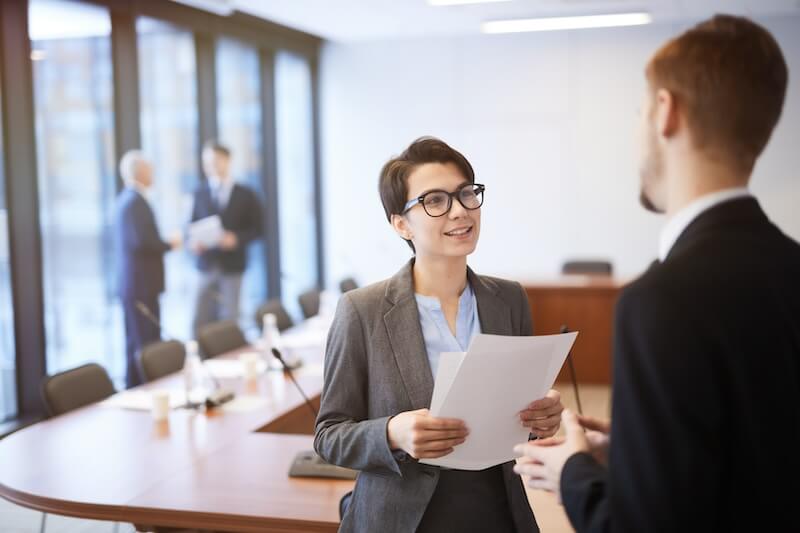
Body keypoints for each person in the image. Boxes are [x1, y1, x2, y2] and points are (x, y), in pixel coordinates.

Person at [513, 14, 800, 533]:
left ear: (666, 112)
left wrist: (572, 473)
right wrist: (632, 454)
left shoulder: (660, 301)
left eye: (640, 110)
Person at [314, 137, 565, 533]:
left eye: (466, 194)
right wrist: (392, 432)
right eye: (435, 201)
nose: (460, 211)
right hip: (400, 519)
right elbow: (329, 436)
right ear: (400, 223)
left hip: (497, 511)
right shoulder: (362, 310)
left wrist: (540, 416)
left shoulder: (509, 299)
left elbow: (517, 420)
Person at [113, 150, 180, 388]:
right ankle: (144, 389)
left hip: (140, 285)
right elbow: (142, 242)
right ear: (140, 171)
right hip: (139, 286)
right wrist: (170, 243)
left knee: (140, 341)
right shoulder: (134, 201)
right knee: (144, 344)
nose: (153, 174)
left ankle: (138, 388)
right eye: (150, 169)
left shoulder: (131, 200)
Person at [189, 141, 262, 336]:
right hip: (206, 264)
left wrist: (237, 239)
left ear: (227, 161)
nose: (209, 166)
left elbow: (259, 229)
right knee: (200, 317)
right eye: (206, 162)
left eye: (214, 161)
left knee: (230, 318)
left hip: (232, 265)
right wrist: (195, 243)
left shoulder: (246, 194)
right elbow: (192, 224)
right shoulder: (200, 192)